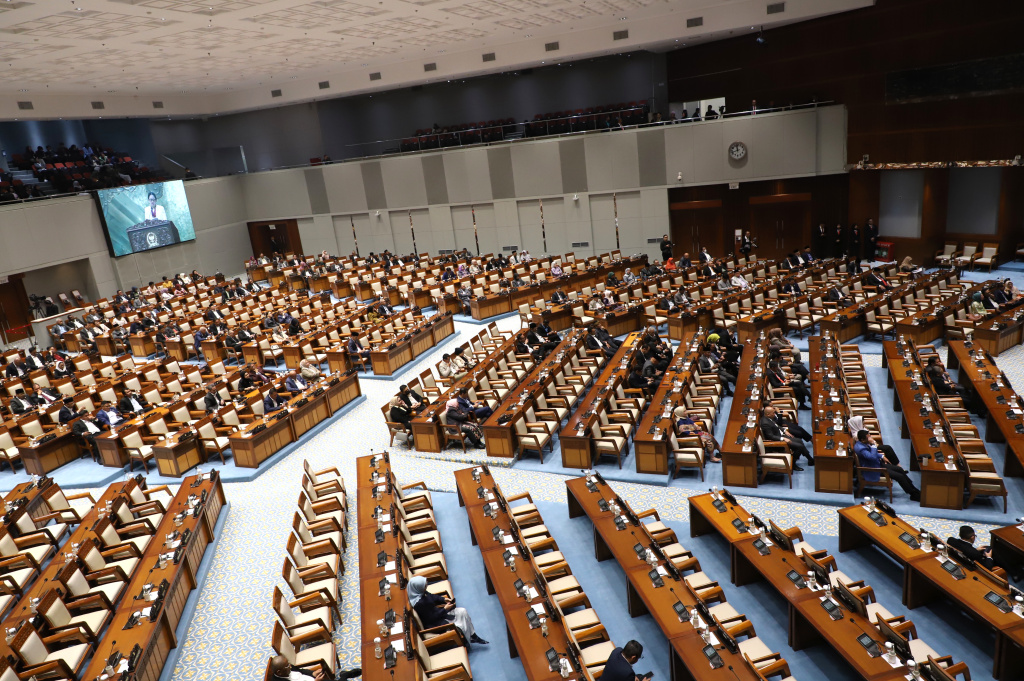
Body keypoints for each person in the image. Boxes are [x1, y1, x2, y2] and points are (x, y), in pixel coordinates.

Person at [408, 575, 488, 645]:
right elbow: (431, 618)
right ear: (418, 587)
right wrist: (445, 609)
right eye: (425, 586)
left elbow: (432, 596)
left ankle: (473, 635)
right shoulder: (419, 603)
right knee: (460, 624)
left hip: (439, 614)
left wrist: (444, 600)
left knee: (462, 611)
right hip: (436, 624)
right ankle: (467, 640)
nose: (426, 587)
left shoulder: (421, 592)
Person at [853, 429, 921, 501]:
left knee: (900, 469)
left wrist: (881, 456)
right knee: (899, 476)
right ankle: (913, 494)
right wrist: (873, 445)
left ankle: (914, 489)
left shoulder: (862, 443)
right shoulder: (861, 449)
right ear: (863, 439)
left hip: (877, 464)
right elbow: (872, 457)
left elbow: (871, 453)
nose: (870, 438)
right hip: (874, 469)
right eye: (868, 437)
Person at [268, 654, 361, 680]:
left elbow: (300, 671)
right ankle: (344, 676)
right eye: (287, 666)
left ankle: (344, 676)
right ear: (279, 672)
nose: (290, 666)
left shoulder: (286, 668)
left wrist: (312, 673)